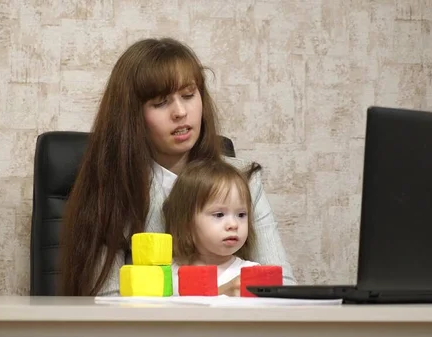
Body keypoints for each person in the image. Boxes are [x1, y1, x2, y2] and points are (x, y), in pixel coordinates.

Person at [59, 37, 296, 297]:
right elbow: (108, 300)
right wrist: (216, 295)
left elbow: (280, 285)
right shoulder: (110, 189)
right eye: (161, 102)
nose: (180, 112)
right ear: (132, 116)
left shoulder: (244, 178)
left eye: (188, 95)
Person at [163, 159, 262, 296]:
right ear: (187, 221)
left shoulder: (251, 274)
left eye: (241, 214)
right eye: (219, 214)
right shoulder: (166, 275)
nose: (233, 225)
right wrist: (223, 291)